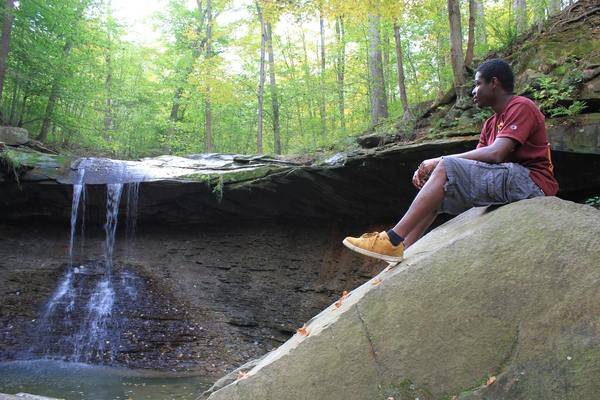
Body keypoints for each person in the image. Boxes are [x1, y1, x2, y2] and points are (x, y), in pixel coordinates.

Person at [343, 59, 559, 263]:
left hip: (532, 183)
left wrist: (439, 161)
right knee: (439, 191)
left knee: (447, 166)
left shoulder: (521, 106)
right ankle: (399, 252)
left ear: (494, 83)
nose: (473, 91)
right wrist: (433, 180)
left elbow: (496, 154)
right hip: (509, 180)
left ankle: (391, 239)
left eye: (477, 84)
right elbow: (480, 167)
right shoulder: (490, 124)